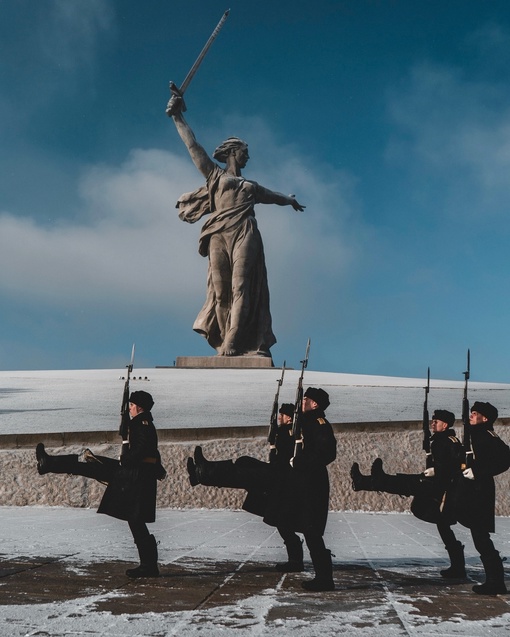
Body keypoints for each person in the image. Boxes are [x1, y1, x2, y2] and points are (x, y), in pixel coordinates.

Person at [166, 91, 305, 357]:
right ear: (232, 152)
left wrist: (289, 200)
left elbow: (273, 196)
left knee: (241, 286)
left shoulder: (250, 186)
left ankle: (232, 341)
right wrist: (177, 116)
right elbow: (194, 148)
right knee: (221, 292)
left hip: (245, 231)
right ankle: (223, 338)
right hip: (218, 233)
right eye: (245, 152)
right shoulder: (215, 176)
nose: (248, 157)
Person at [188, 388, 337, 591]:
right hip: (293, 478)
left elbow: (327, 453)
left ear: (315, 404)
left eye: (306, 399)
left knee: (311, 530)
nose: (302, 401)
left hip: (309, 483)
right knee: (251, 473)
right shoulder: (303, 423)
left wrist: (299, 460)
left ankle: (324, 578)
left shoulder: (320, 424)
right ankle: (205, 472)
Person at [35, 390, 164, 578]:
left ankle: (149, 566)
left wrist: (126, 458)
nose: (130, 408)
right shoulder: (143, 423)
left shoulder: (141, 423)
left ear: (139, 406)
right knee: (134, 519)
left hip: (133, 475)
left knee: (92, 467)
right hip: (134, 474)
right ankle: (149, 565)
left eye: (132, 405)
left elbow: (143, 448)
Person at [350, 409, 465, 579]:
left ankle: (372, 481)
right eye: (432, 420)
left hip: (444, 487)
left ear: (445, 425)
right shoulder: (444, 440)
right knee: (442, 524)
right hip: (441, 483)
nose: (433, 423)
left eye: (436, 421)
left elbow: (456, 464)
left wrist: (437, 470)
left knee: (408, 484)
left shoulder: (446, 441)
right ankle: (458, 568)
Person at [452, 401, 508, 595]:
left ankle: (496, 582)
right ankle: (493, 580)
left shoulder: (487, 435)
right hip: (469, 489)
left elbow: (505, 458)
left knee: (481, 537)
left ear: (485, 418)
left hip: (480, 490)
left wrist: (478, 472)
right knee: (478, 535)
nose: (471, 416)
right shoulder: (474, 434)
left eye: (474, 414)